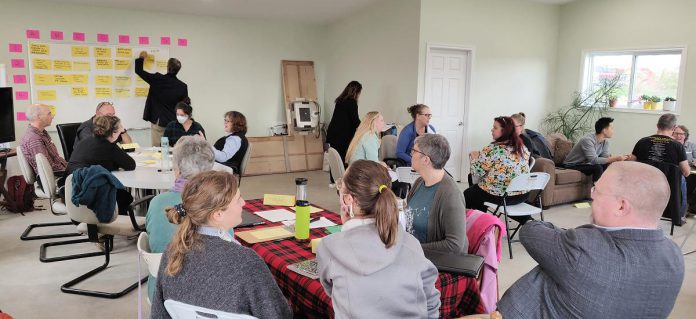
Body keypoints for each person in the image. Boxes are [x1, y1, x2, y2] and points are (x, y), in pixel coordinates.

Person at [496, 161, 684, 318]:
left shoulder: (584, 246)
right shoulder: (675, 257)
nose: (592, 196)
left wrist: (567, 236)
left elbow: (530, 231)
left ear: (621, 207)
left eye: (597, 191)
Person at [150, 171, 293, 318]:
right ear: (218, 214)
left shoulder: (173, 250)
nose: (244, 203)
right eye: (238, 199)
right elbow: (279, 314)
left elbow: (158, 314)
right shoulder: (246, 261)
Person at [317, 160, 441, 319]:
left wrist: (348, 227)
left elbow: (332, 291)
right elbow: (430, 300)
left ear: (348, 199)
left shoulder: (329, 247)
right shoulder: (410, 242)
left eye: (340, 185)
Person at [145, 136, 215, 299]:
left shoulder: (157, 203)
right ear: (210, 170)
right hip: (206, 294)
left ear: (177, 168)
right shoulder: (217, 205)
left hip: (161, 293)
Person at [406, 134, 468, 254]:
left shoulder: (451, 195)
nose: (411, 154)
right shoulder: (419, 182)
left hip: (436, 260)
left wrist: (413, 248)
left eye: (414, 151)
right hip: (414, 253)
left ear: (426, 160)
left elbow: (455, 245)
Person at [68, 115, 135, 215]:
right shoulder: (109, 147)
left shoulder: (85, 141)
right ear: (114, 133)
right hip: (89, 192)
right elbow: (131, 165)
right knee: (125, 197)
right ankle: (115, 225)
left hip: (70, 189)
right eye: (120, 131)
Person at [629, 113, 690, 224]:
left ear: (657, 125)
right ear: (673, 128)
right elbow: (686, 172)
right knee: (681, 179)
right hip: (668, 190)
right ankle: (679, 215)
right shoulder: (677, 146)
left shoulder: (642, 142)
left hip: (644, 187)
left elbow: (631, 164)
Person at [465, 116, 530, 215]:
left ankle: (480, 222)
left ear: (505, 131)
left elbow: (476, 172)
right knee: (477, 190)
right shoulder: (522, 147)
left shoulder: (493, 149)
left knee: (469, 193)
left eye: (495, 128)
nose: (492, 130)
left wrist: (475, 158)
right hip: (522, 195)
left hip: (501, 197)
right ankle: (525, 219)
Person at [135, 51, 188, 147]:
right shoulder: (182, 86)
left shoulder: (157, 79)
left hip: (158, 121)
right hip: (174, 122)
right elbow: (184, 106)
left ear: (167, 67)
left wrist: (141, 58)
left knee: (157, 150)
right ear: (178, 70)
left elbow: (139, 71)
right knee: (173, 150)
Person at [563, 117, 627, 182]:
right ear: (604, 130)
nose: (613, 131)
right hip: (572, 165)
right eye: (612, 128)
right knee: (597, 168)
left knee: (606, 165)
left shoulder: (605, 142)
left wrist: (621, 158)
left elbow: (605, 157)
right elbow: (594, 160)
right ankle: (596, 191)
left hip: (585, 164)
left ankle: (606, 188)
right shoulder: (587, 140)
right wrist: (616, 158)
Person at [20, 104, 67, 174]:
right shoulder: (34, 139)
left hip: (62, 171)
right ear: (39, 117)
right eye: (49, 114)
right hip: (58, 176)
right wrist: (70, 170)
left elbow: (56, 159)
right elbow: (48, 168)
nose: (52, 116)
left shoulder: (41, 133)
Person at [326, 81, 362, 163]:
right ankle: (342, 176)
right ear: (356, 92)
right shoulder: (352, 102)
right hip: (343, 137)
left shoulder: (340, 101)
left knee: (335, 160)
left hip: (333, 134)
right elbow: (355, 120)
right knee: (342, 161)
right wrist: (365, 126)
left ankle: (334, 176)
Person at [674, 125, 696, 215]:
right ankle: (682, 208)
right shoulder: (671, 145)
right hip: (676, 172)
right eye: (676, 133)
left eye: (682, 134)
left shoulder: (692, 145)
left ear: (686, 135)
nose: (679, 136)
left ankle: (691, 208)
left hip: (691, 172)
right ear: (673, 134)